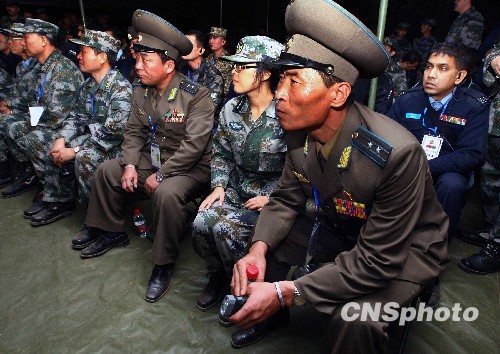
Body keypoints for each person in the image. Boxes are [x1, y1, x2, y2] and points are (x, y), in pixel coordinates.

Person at [227, 0, 448, 351]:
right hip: (340, 225)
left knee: (355, 319)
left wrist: (289, 292)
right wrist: (258, 250)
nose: (280, 94)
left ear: (339, 93)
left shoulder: (395, 153)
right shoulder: (299, 129)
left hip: (401, 250)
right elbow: (285, 199)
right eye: (282, 79)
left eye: (295, 81)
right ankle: (268, 314)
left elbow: (376, 261)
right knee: (261, 240)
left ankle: (412, 296)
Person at [74, 10, 214, 304]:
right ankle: (109, 230)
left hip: (188, 168)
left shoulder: (197, 95)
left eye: (145, 60)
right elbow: (134, 132)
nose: (137, 66)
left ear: (168, 65)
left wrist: (161, 175)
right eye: (136, 58)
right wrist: (127, 165)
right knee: (107, 170)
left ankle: (162, 264)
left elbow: (195, 145)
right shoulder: (141, 90)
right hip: (154, 159)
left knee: (165, 192)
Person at [192, 35, 285, 311]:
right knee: (200, 223)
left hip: (271, 197)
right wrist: (219, 185)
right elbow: (220, 152)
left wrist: (275, 197)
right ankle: (220, 274)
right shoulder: (231, 108)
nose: (235, 71)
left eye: (243, 67)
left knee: (224, 228)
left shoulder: (285, 112)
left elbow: (299, 168)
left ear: (265, 73)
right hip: (236, 187)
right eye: (235, 66)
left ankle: (243, 287)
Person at [24, 30, 132, 227]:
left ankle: (99, 218)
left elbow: (113, 133)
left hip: (116, 146)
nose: (79, 56)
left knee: (85, 157)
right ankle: (59, 200)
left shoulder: (120, 88)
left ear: (102, 57)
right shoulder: (89, 85)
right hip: (92, 140)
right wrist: (61, 140)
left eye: (84, 51)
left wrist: (74, 151)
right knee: (51, 143)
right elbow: (76, 117)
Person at [387, 43, 490, 238]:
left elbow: (472, 154)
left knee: (453, 184)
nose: (431, 74)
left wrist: (424, 166)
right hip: (407, 166)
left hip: (445, 169)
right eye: (428, 66)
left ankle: (436, 245)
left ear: (460, 76)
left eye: (442, 68)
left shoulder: (473, 105)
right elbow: (385, 136)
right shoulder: (408, 99)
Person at [1, 19, 84, 208]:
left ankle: (60, 195)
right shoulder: (43, 67)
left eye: (27, 37)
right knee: (9, 125)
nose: (23, 42)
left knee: (34, 138)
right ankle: (37, 178)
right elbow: (33, 101)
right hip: (47, 121)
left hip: (66, 128)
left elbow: (58, 116)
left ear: (43, 40)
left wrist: (31, 125)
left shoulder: (62, 69)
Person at [458, 44, 500, 274]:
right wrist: (494, 60)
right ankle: (491, 230)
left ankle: (497, 246)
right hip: (495, 125)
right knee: (490, 181)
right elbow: (492, 54)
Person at [0, 23, 40, 188]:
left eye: (14, 38)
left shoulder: (38, 66)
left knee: (9, 124)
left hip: (36, 114)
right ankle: (11, 171)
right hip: (26, 110)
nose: (10, 42)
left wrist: (11, 106)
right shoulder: (20, 66)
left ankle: (29, 172)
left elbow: (35, 100)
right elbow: (20, 94)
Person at [181, 30, 224, 112]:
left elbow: (208, 110)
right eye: (183, 44)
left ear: (201, 50)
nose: (184, 48)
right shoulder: (181, 70)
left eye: (189, 45)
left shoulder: (212, 76)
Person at [205, 27, 232, 97]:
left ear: (223, 42)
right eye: (210, 38)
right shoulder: (207, 59)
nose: (211, 41)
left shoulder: (229, 61)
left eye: (215, 38)